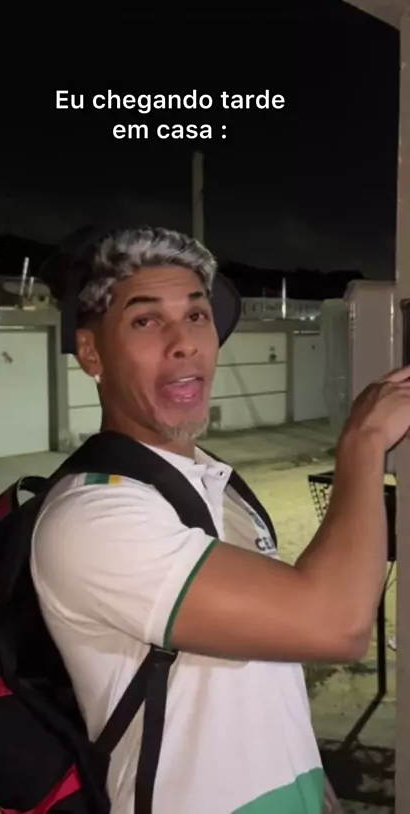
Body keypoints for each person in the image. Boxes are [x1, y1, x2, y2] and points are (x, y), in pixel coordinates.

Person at [31, 226, 410, 814]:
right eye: (146, 321)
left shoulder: (213, 482)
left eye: (197, 316)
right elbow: (336, 623)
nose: (184, 342)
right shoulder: (94, 517)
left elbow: (262, 662)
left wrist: (309, 778)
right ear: (91, 352)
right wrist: (362, 445)